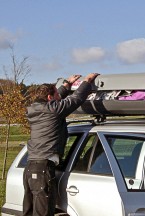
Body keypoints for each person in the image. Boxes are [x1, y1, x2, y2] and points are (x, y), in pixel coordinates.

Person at [23, 73, 99, 216]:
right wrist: (87, 82)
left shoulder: (35, 110)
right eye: (57, 94)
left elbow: (57, 99)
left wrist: (67, 84)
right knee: (43, 212)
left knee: (30, 211)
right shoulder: (53, 110)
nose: (60, 96)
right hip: (43, 169)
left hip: (30, 168)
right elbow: (75, 99)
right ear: (49, 98)